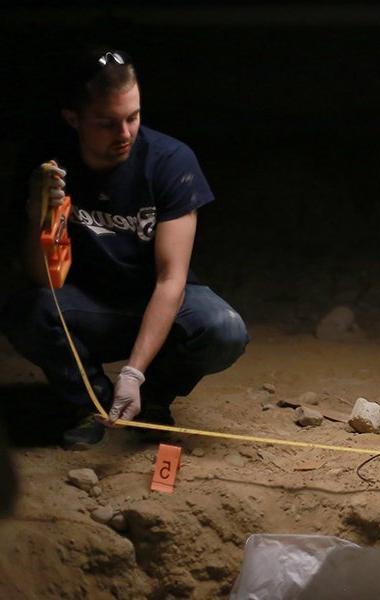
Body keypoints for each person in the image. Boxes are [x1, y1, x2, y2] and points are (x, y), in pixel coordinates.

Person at [1, 48, 249, 449]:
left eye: (133, 117)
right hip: (88, 304)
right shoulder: (48, 165)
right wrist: (36, 215)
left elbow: (172, 279)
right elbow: (41, 277)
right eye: (107, 123)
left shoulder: (171, 161)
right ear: (73, 118)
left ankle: (150, 401)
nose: (125, 134)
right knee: (26, 312)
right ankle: (93, 405)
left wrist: (133, 374)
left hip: (158, 299)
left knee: (224, 329)